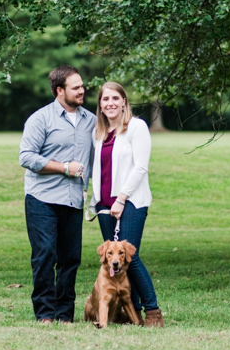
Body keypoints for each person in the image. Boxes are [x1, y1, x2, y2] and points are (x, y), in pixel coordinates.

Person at [19, 65, 96, 324]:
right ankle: (44, 314)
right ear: (59, 90)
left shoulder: (91, 121)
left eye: (82, 86)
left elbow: (97, 159)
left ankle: (64, 315)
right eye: (76, 87)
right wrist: (64, 168)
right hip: (43, 199)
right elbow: (26, 157)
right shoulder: (40, 119)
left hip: (74, 199)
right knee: (45, 255)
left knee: (70, 259)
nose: (82, 90)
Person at [89, 82, 163, 327]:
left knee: (130, 257)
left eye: (115, 98)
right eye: (105, 99)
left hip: (130, 201)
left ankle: (152, 313)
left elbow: (141, 167)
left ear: (123, 101)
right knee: (114, 260)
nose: (110, 103)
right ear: (100, 104)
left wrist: (121, 199)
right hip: (104, 205)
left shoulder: (136, 127)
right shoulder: (99, 132)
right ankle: (133, 314)